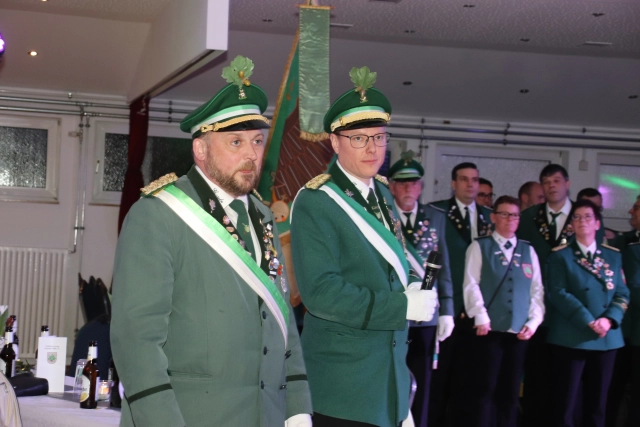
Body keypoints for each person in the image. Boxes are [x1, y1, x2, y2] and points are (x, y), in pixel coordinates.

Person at [110, 56, 312, 427]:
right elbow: (136, 340)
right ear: (201, 150)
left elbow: (282, 317)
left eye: (257, 141)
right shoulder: (159, 214)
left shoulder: (264, 216)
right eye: (236, 142)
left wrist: (297, 406)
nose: (251, 154)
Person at [290, 66, 437, 427]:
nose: (372, 147)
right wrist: (402, 305)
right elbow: (321, 293)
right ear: (335, 142)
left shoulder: (383, 192)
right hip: (344, 388)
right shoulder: (317, 201)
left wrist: (412, 284)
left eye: (379, 136)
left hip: (389, 380)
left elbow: (392, 262)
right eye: (358, 138)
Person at [517, 164, 602, 427]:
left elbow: (596, 263)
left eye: (556, 180)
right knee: (536, 379)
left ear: (567, 183)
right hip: (537, 312)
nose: (551, 186)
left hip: (574, 314)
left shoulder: (584, 215)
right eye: (546, 182)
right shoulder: (528, 217)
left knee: (570, 387)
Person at [462, 195, 544, 427]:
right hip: (489, 330)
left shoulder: (528, 250)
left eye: (515, 215)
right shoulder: (480, 246)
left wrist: (534, 321)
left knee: (510, 393)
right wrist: (480, 315)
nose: (510, 219)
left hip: (518, 332)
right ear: (494, 217)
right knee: (484, 390)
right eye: (505, 214)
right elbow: (470, 284)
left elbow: (536, 289)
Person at [546, 199, 629, 427]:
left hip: (606, 338)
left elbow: (622, 293)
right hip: (571, 336)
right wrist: (588, 320)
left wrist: (609, 319)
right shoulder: (561, 255)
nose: (582, 221)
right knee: (566, 404)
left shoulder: (613, 256)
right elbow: (558, 292)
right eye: (577, 217)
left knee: (598, 406)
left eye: (587, 217)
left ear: (597, 223)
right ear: (571, 224)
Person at [388, 151, 455, 427]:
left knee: (423, 381)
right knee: (390, 377)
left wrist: (447, 310)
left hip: (426, 316)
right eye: (402, 183)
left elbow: (444, 265)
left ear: (421, 187)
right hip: (394, 311)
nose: (408, 188)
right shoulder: (380, 217)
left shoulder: (435, 217)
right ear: (391, 187)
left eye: (413, 183)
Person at [429, 162, 494, 427]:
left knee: (471, 383)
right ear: (453, 184)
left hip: (479, 312)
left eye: (475, 179)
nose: (470, 184)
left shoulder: (490, 217)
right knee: (439, 381)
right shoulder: (437, 212)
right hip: (448, 308)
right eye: (464, 179)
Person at [608, 195, 640, 427]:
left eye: (636, 207)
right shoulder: (625, 243)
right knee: (613, 391)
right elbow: (629, 288)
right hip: (624, 331)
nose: (630, 211)